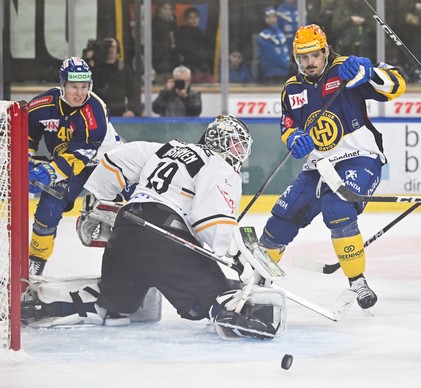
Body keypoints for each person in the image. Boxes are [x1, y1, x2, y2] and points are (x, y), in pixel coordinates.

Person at [22, 115, 287, 340]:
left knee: (114, 306)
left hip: (125, 230)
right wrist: (236, 255)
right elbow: (212, 221)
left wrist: (97, 199)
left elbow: (115, 160)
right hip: (166, 239)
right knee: (214, 300)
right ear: (218, 141)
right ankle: (237, 315)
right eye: (235, 146)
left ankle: (44, 302)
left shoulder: (164, 148)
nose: (238, 153)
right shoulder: (217, 165)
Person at [258, 24, 406, 310]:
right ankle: (258, 279)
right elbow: (287, 123)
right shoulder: (292, 89)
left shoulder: (345, 70)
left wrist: (369, 72)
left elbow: (397, 86)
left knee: (337, 207)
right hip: (317, 167)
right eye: (303, 57)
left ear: (325, 50)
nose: (309, 62)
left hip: (359, 157)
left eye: (314, 55)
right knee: (280, 220)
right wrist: (294, 138)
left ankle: (358, 283)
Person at [27, 57, 120, 276]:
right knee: (48, 208)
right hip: (68, 163)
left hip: (108, 164)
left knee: (129, 210)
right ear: (63, 85)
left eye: (84, 87)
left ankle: (131, 268)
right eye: (73, 87)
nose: (79, 93)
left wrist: (48, 172)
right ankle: (35, 262)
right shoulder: (43, 105)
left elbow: (81, 155)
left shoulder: (95, 110)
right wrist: (25, 162)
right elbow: (28, 134)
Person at [84, 37, 143, 117]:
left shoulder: (124, 69)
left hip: (118, 114)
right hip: (96, 113)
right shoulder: (94, 67)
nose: (109, 49)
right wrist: (87, 59)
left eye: (111, 46)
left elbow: (133, 94)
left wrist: (132, 111)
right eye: (106, 46)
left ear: (117, 50)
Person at [175, 6, 214, 83]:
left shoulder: (201, 34)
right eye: (191, 18)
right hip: (189, 70)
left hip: (201, 69)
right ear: (186, 20)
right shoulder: (182, 33)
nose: (194, 20)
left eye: (196, 17)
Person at [256, 6, 291, 84]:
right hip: (270, 74)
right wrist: (288, 65)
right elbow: (271, 55)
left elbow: (286, 51)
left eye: (273, 17)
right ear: (264, 19)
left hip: (284, 74)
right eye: (268, 17)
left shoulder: (281, 33)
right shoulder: (263, 35)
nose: (271, 20)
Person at [152, 0, 177, 84]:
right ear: (159, 9)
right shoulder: (156, 23)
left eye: (170, 9)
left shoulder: (172, 23)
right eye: (165, 9)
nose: (168, 11)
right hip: (160, 60)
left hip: (170, 59)